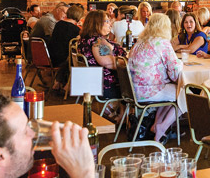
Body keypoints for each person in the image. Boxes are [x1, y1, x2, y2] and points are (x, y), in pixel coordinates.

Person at [128, 13, 183, 141]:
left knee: (173, 90)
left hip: (132, 90)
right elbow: (175, 73)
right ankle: (162, 127)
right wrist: (181, 63)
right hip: (149, 91)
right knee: (186, 93)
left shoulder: (140, 42)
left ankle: (156, 125)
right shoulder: (162, 43)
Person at [77, 10, 126, 98]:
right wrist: (128, 62)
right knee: (135, 86)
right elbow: (106, 62)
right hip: (105, 85)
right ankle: (123, 111)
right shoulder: (98, 41)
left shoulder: (84, 40)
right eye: (107, 21)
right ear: (97, 23)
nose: (110, 24)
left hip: (89, 82)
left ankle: (120, 111)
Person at [48, 4, 84, 83]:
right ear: (79, 17)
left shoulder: (58, 24)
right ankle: (69, 85)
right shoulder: (75, 29)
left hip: (51, 57)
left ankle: (59, 82)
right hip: (62, 60)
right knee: (77, 58)